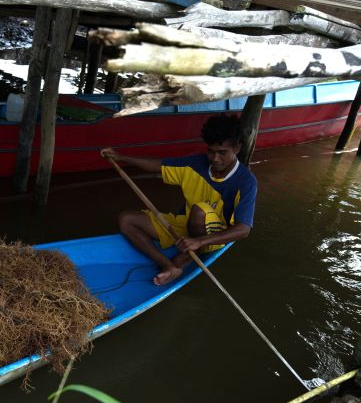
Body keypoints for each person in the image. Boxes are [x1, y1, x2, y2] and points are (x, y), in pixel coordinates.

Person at [101, 115, 257, 286]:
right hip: (186, 223)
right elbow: (159, 165)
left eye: (222, 153)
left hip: (215, 236)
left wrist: (199, 241)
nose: (215, 159)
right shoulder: (196, 163)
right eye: (211, 151)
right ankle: (169, 266)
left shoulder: (245, 181)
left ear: (237, 148)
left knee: (199, 210)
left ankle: (181, 260)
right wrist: (121, 158)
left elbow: (243, 229)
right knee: (126, 219)